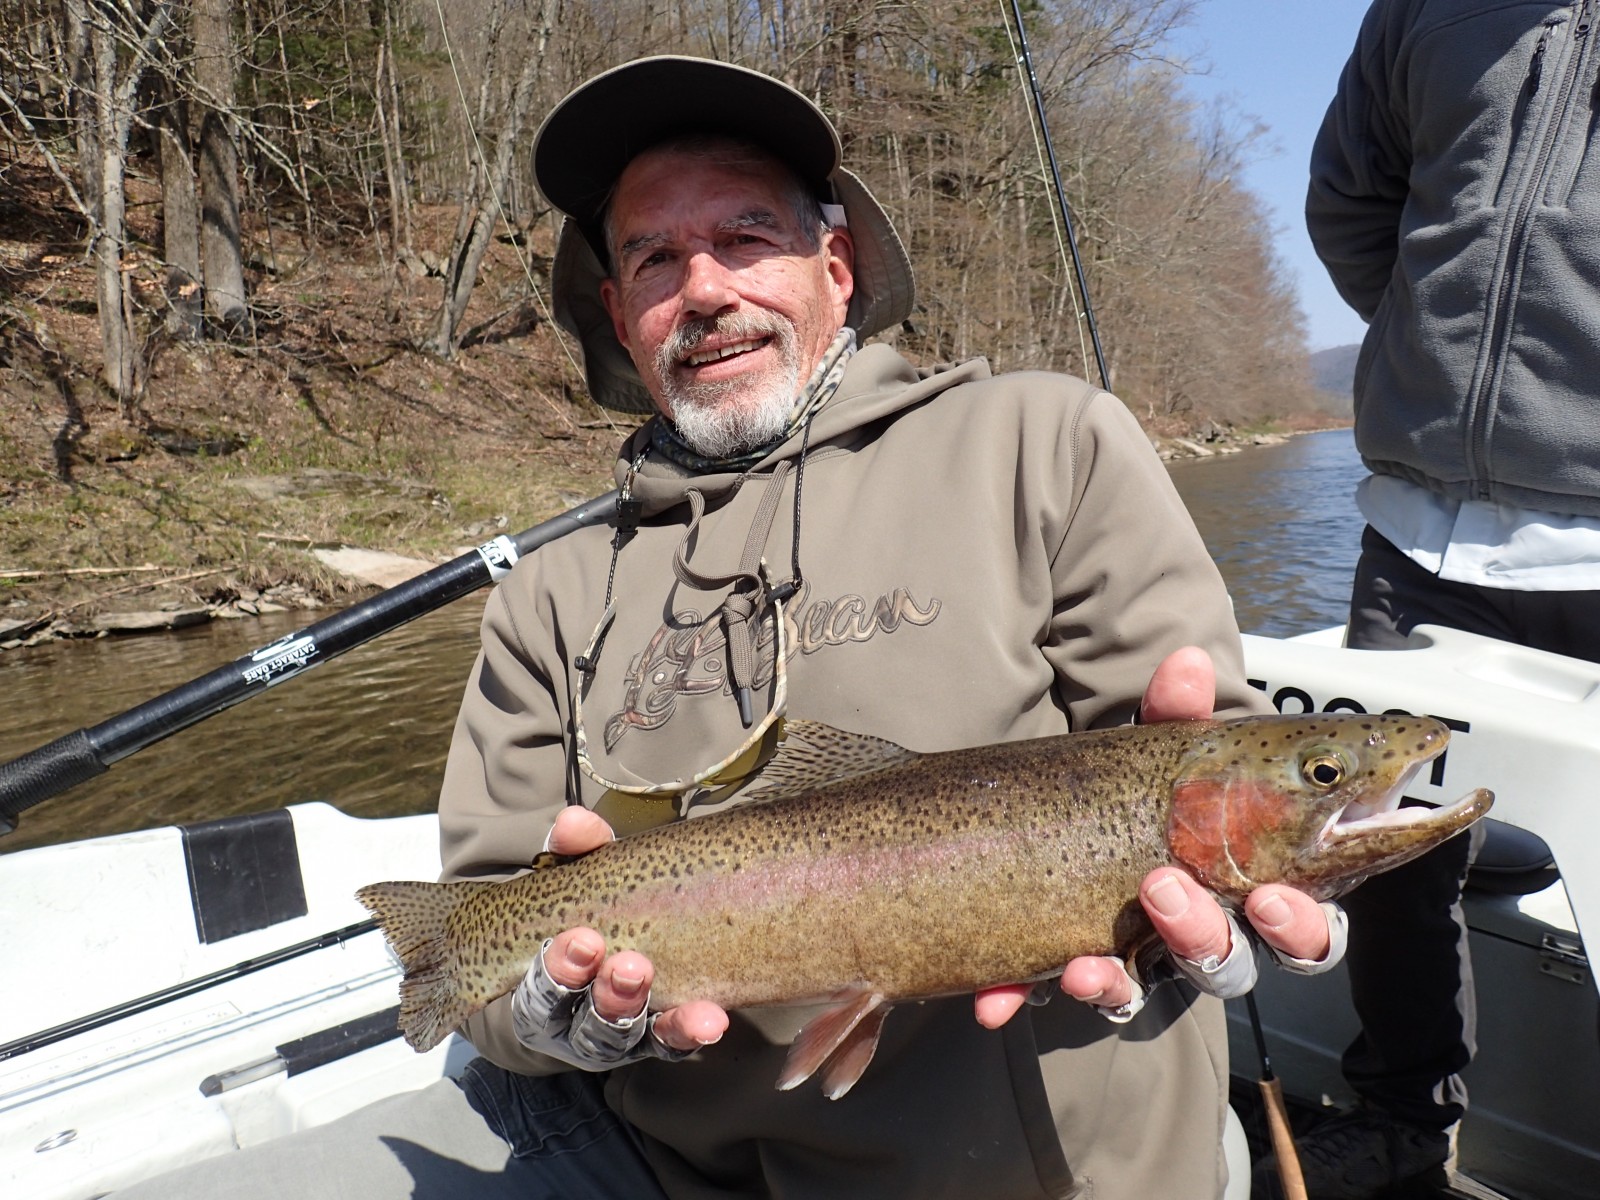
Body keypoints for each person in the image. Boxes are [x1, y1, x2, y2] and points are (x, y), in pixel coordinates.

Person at [112, 55, 1341, 1200]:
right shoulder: (549, 595)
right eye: (654, 259)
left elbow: (1211, 774)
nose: (703, 288)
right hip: (667, 1161)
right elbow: (474, 958)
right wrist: (552, 1018)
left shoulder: (1042, 441)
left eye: (746, 237)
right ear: (618, 311)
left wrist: (1230, 919)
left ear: (837, 267)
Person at [1295, 3, 1600, 1196]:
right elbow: (1351, 204)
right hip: (1414, 543)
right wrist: (1435, 358)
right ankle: (1401, 1122)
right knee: (1386, 871)